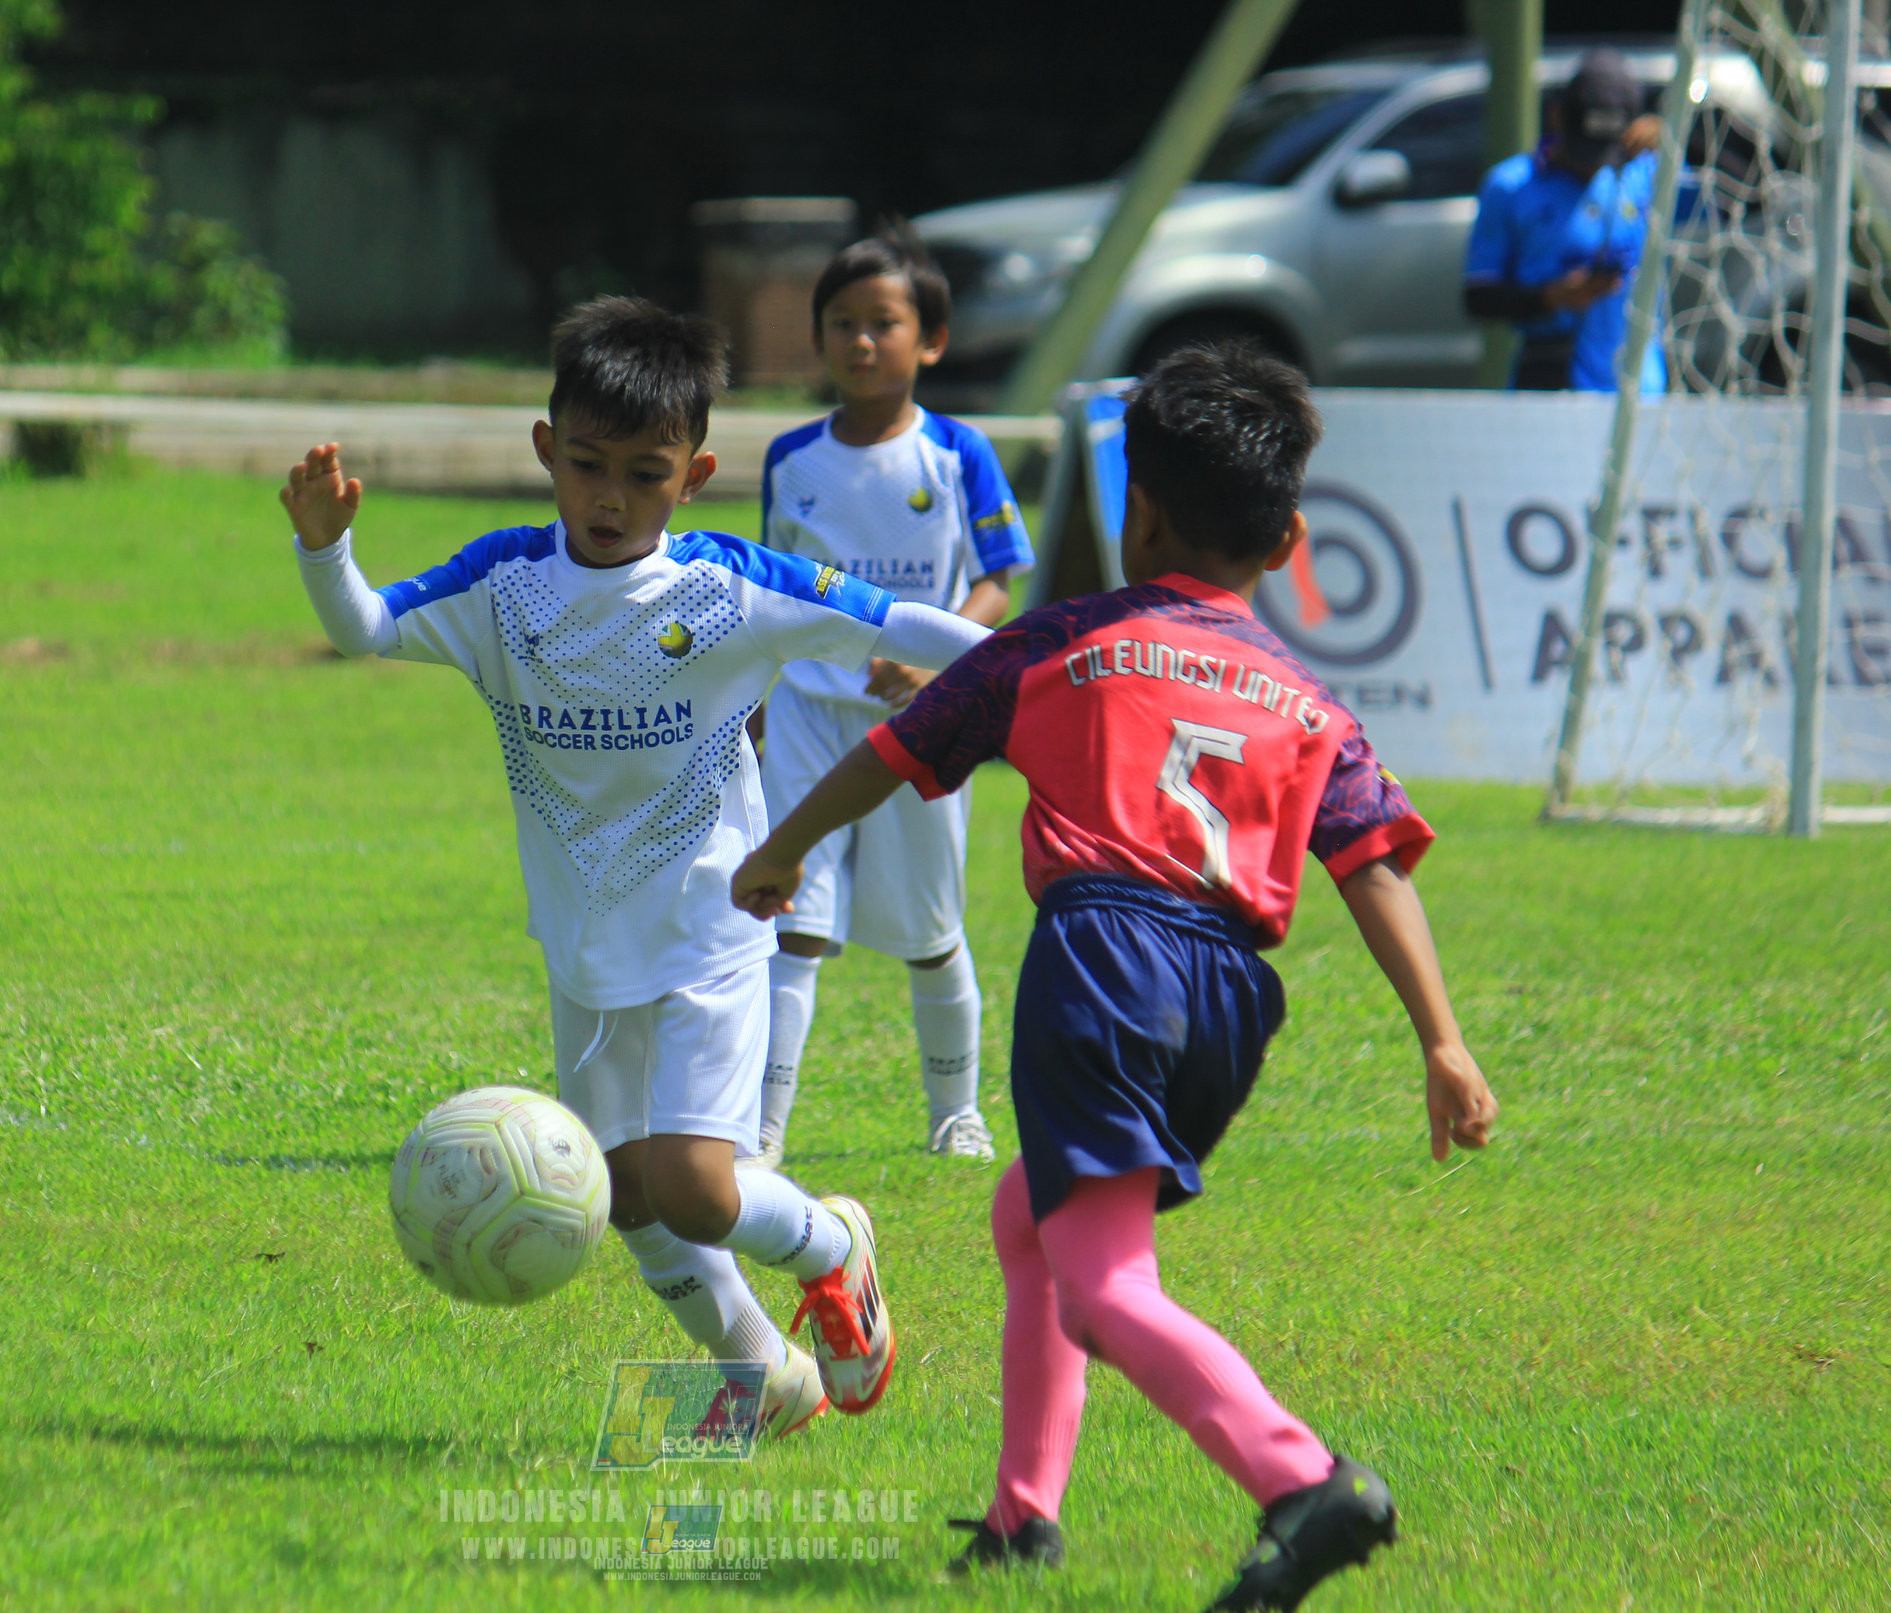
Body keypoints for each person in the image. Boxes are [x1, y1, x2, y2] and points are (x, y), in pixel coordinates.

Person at [731, 343, 1499, 1607]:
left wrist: (781, 849)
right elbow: (1372, 865)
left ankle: (1303, 1478)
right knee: (1028, 1215)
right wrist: (1443, 1041)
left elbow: (896, 750)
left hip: (1102, 962)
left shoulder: (1065, 642)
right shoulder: (1307, 700)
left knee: (1101, 1281)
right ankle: (1023, 1517)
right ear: (1291, 535)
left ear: (1133, 509)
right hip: (1230, 1000)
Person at [283, 296, 996, 1437]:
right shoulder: (501, 589)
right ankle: (763, 1372)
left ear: (695, 472)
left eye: (645, 473)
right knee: (623, 1195)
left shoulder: (729, 587)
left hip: (712, 933)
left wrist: (1047, 670)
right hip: (582, 946)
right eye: (586, 465)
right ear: (544, 450)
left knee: (698, 1187)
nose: (609, 497)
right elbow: (364, 628)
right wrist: (326, 548)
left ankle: (832, 1240)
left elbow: (905, 624)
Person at [753, 230, 1034, 1170]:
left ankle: (955, 1112)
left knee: (927, 933)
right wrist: (755, 707)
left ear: (932, 341)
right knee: (792, 925)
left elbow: (1001, 577)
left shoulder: (958, 453)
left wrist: (939, 662)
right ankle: (761, 1130)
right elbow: (777, 596)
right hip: (807, 714)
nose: (861, 342)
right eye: (842, 324)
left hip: (925, 726)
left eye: (884, 323)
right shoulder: (791, 460)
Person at [1464, 47, 1666, 393]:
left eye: (1603, 154)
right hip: (1548, 378)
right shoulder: (1512, 185)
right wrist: (1552, 297)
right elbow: (1477, 296)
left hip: (1636, 389)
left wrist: (1679, 135)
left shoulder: (1647, 173)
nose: (1592, 167)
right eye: (1583, 150)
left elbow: (1752, 187)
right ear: (1557, 117)